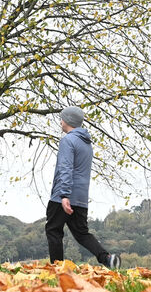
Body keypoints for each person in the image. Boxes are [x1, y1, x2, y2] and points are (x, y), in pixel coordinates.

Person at [45, 106, 119, 268]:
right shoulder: (86, 143)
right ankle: (107, 258)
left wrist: (64, 195)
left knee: (53, 230)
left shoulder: (67, 140)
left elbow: (66, 167)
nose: (60, 122)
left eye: (62, 118)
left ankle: (57, 269)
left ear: (68, 121)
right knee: (82, 233)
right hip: (81, 197)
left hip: (63, 195)